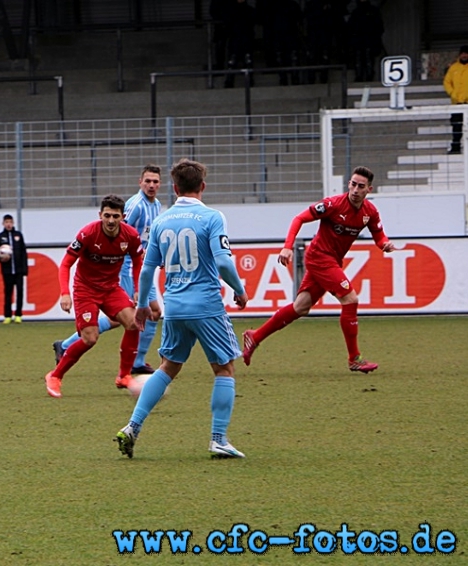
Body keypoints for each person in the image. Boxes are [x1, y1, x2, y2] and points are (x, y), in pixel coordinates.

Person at [115, 158, 249, 460]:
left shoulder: (161, 221)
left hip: (174, 306)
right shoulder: (213, 217)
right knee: (224, 368)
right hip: (206, 305)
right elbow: (224, 262)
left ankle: (132, 427)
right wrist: (239, 290)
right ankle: (218, 438)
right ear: (202, 186)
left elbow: (147, 270)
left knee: (168, 367)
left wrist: (141, 305)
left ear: (174, 188)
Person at [241, 166, 395, 373]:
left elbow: (379, 235)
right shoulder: (333, 204)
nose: (355, 189)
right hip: (320, 258)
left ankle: (255, 336)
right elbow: (299, 218)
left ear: (369, 189)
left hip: (331, 260)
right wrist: (287, 247)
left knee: (301, 307)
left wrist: (384, 244)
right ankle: (354, 358)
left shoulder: (370, 212)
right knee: (350, 299)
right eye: (353, 184)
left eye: (361, 186)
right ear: (348, 184)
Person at [52, 165, 163, 375]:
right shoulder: (136, 206)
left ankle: (134, 360)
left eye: (155, 181)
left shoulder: (155, 205)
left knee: (144, 314)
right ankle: (70, 346)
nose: (151, 185)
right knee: (139, 314)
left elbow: (143, 240)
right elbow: (118, 236)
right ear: (140, 182)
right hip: (125, 270)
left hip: (141, 267)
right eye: (147, 181)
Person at [44, 194, 144, 399]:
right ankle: (55, 376)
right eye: (106, 215)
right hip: (85, 290)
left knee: (134, 323)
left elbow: (137, 260)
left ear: (123, 217)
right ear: (100, 215)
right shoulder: (88, 233)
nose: (110, 220)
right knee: (90, 338)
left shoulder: (131, 236)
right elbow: (65, 264)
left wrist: (136, 288)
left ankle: (124, 376)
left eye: (115, 216)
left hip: (111, 289)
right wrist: (65, 293)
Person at [0, 213, 28, 324]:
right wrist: (0, 258)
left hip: (18, 271)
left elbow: (23, 252)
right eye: (6, 222)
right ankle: (7, 316)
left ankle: (18, 315)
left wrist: (24, 269)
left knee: (20, 293)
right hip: (7, 271)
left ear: (13, 223)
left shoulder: (18, 235)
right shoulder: (0, 237)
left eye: (10, 222)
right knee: (8, 293)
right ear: (3, 223)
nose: (8, 224)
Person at [347, 0, 384, 82]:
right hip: (360, 40)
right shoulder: (356, 12)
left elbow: (379, 27)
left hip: (368, 39)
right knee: (359, 58)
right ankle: (360, 75)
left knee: (368, 58)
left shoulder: (372, 11)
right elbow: (350, 27)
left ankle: (368, 75)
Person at [223, 0, 256, 88]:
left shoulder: (250, 10)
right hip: (235, 38)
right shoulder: (230, 11)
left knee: (248, 60)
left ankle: (249, 81)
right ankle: (229, 81)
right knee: (232, 61)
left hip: (246, 39)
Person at [443, 45, 468, 155]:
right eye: (463, 53)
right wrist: (452, 93)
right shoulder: (453, 68)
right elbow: (447, 82)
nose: (464, 55)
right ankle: (456, 147)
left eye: (466, 53)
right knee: (456, 126)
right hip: (457, 103)